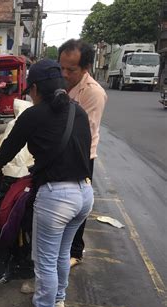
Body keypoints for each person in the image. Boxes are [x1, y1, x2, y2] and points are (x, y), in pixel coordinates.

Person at [0, 59, 94, 307]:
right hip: (84, 193)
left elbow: (9, 148)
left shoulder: (34, 115)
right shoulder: (78, 112)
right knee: (61, 253)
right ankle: (57, 302)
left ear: (34, 88)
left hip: (57, 196)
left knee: (45, 260)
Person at [58, 39, 108, 267]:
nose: (65, 74)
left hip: (81, 155)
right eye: (62, 68)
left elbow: (82, 132)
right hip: (57, 151)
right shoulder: (60, 84)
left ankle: (75, 251)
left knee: (78, 205)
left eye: (71, 70)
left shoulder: (93, 93)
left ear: (85, 68)